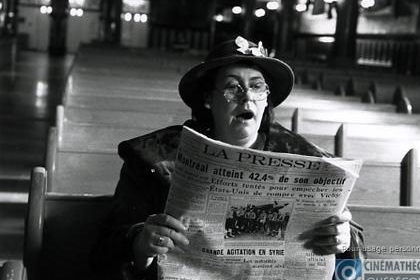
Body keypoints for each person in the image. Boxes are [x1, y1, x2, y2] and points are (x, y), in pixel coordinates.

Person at [91, 36, 365, 280]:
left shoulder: (306, 158)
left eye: (257, 88)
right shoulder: (153, 156)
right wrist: (141, 244)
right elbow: (109, 242)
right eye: (233, 88)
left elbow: (352, 247)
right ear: (209, 99)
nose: (247, 98)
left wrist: (342, 240)